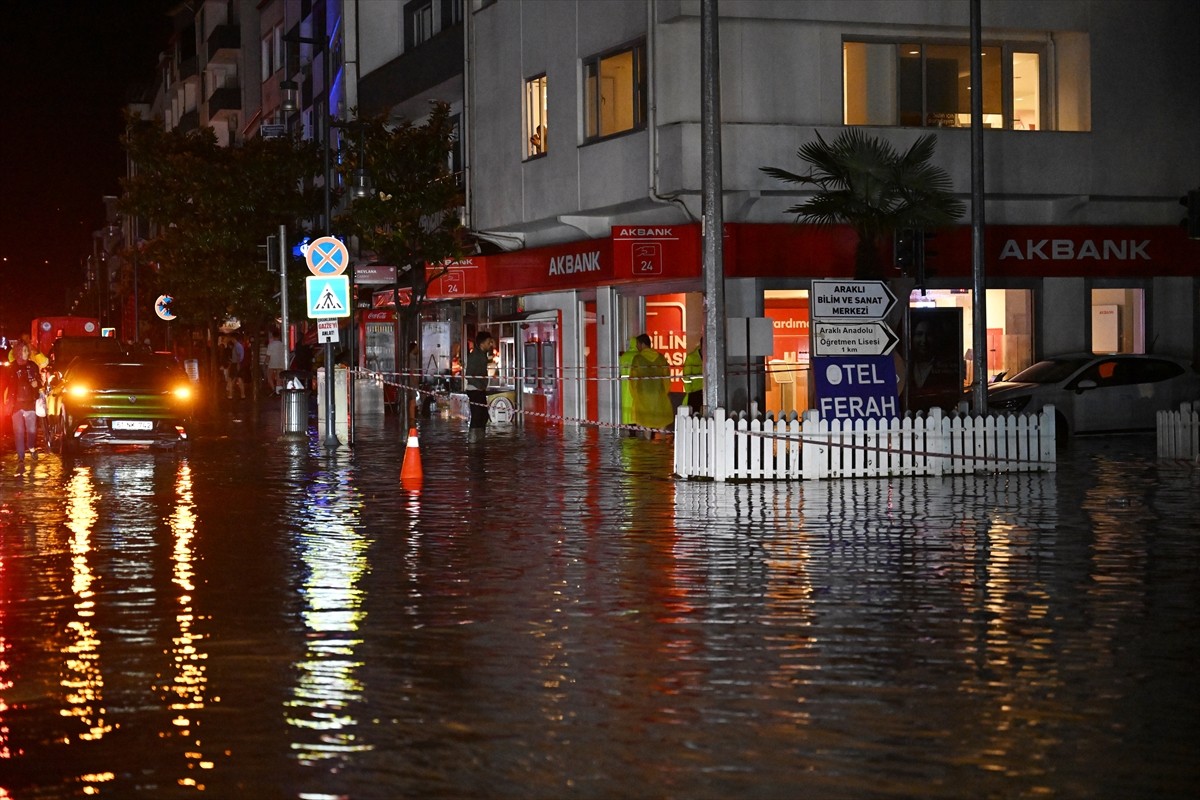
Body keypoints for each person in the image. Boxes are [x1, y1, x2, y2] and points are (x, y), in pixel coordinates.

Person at [4, 342, 43, 475]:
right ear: (19, 352)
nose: (27, 353)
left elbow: (39, 381)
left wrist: (36, 384)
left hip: (30, 404)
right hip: (16, 405)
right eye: (25, 351)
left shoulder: (32, 366)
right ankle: (20, 457)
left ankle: (31, 447)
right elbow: (5, 383)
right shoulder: (12, 367)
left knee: (31, 431)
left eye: (27, 351)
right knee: (19, 432)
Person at [629, 333, 674, 437]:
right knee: (662, 425)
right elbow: (667, 379)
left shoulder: (638, 359)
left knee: (646, 427)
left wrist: (635, 396)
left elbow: (633, 380)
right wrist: (664, 392)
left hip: (643, 397)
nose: (637, 346)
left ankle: (647, 448)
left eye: (638, 344)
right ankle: (662, 449)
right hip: (659, 396)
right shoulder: (661, 358)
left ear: (643, 344)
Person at [465, 330, 495, 430]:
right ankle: (474, 440)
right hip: (475, 390)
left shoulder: (482, 355)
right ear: (482, 344)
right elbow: (468, 374)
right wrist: (480, 385)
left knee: (483, 416)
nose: (490, 344)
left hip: (479, 390)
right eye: (488, 342)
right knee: (478, 417)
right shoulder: (475, 356)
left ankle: (479, 440)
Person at [681, 338, 704, 415]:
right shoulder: (691, 358)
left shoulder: (711, 357)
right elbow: (686, 378)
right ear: (701, 345)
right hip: (694, 393)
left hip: (706, 392)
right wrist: (690, 392)